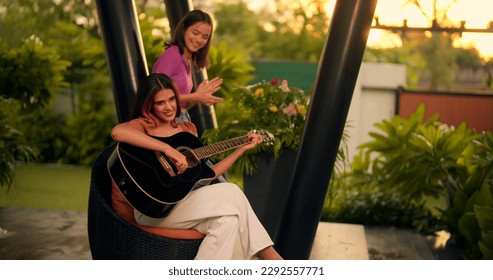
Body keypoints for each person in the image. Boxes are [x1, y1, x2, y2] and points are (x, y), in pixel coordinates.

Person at [110, 73, 283, 260]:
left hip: (185, 204)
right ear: (149, 104)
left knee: (228, 222)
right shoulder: (144, 125)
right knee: (231, 191)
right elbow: (118, 132)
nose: (168, 107)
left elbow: (207, 174)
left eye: (171, 100)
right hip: (154, 209)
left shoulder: (186, 131)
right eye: (160, 102)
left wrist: (240, 150)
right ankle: (271, 257)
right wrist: (168, 149)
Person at [152, 9, 223, 123]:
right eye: (195, 33)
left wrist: (198, 97)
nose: (199, 39)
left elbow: (181, 104)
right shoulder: (172, 54)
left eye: (205, 37)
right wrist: (196, 96)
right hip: (165, 125)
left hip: (181, 120)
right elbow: (156, 96)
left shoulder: (186, 60)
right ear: (184, 29)